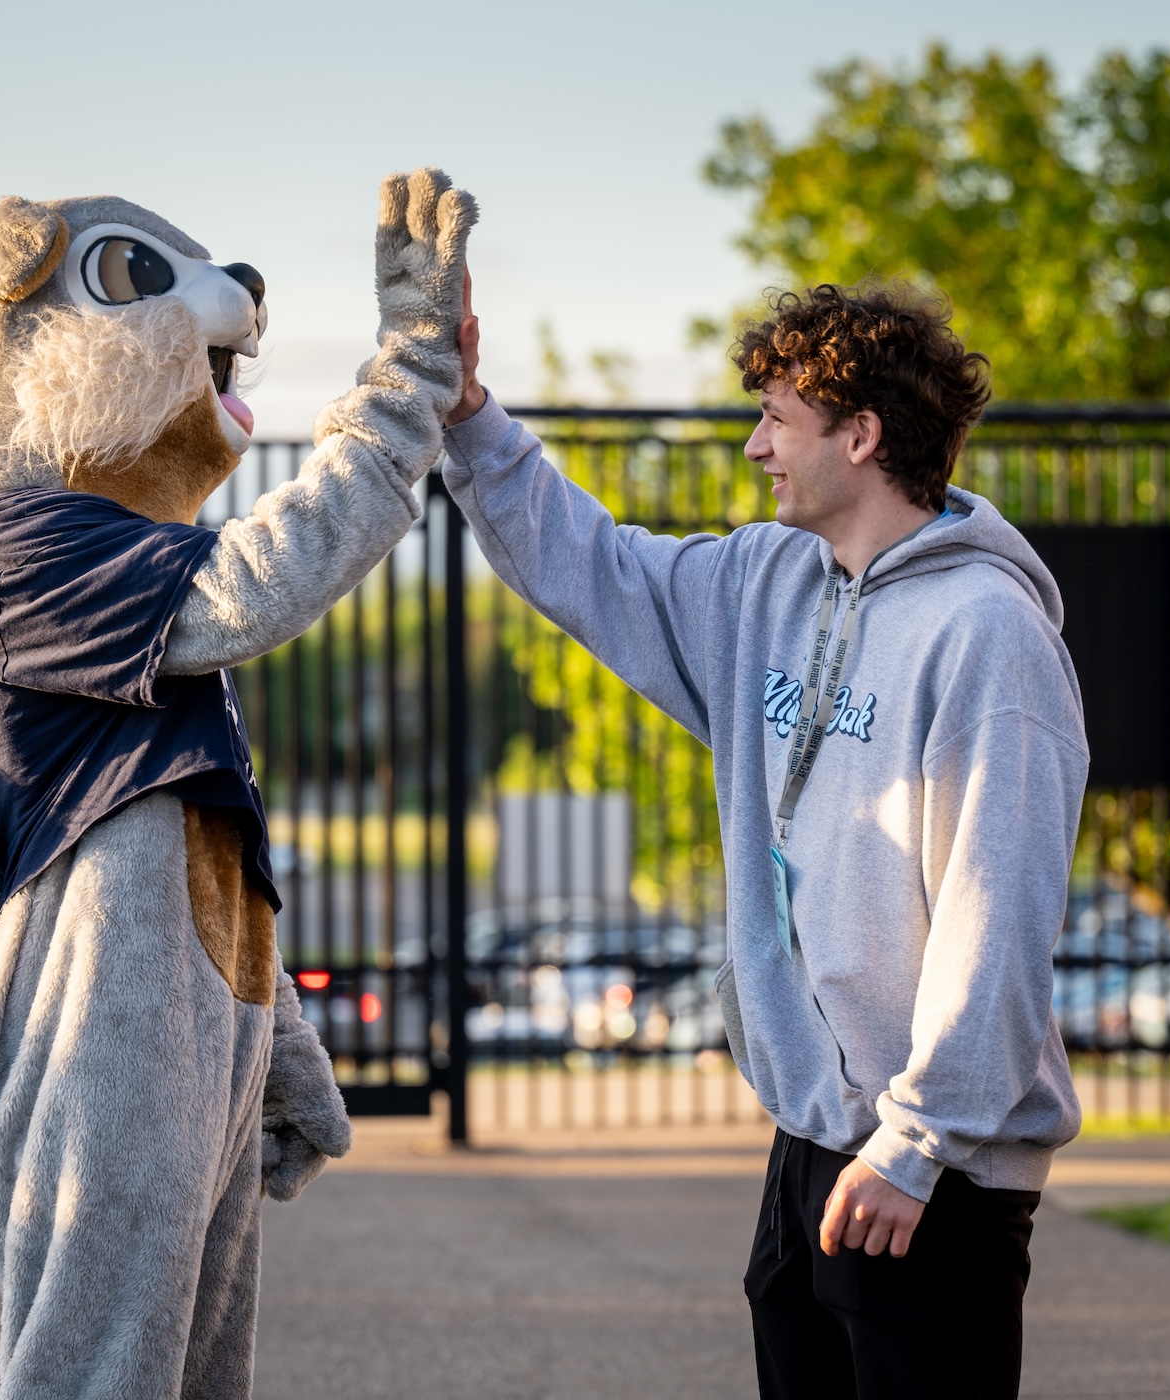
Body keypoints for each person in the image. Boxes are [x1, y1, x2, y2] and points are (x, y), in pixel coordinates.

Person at [440, 281, 1086, 1398]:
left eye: (778, 418)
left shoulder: (988, 634)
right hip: (812, 1144)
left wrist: (919, 1142)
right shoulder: (764, 581)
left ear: (862, 434)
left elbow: (999, 917)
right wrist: (468, 416)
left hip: (933, 1169)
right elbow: (591, 563)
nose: (754, 446)